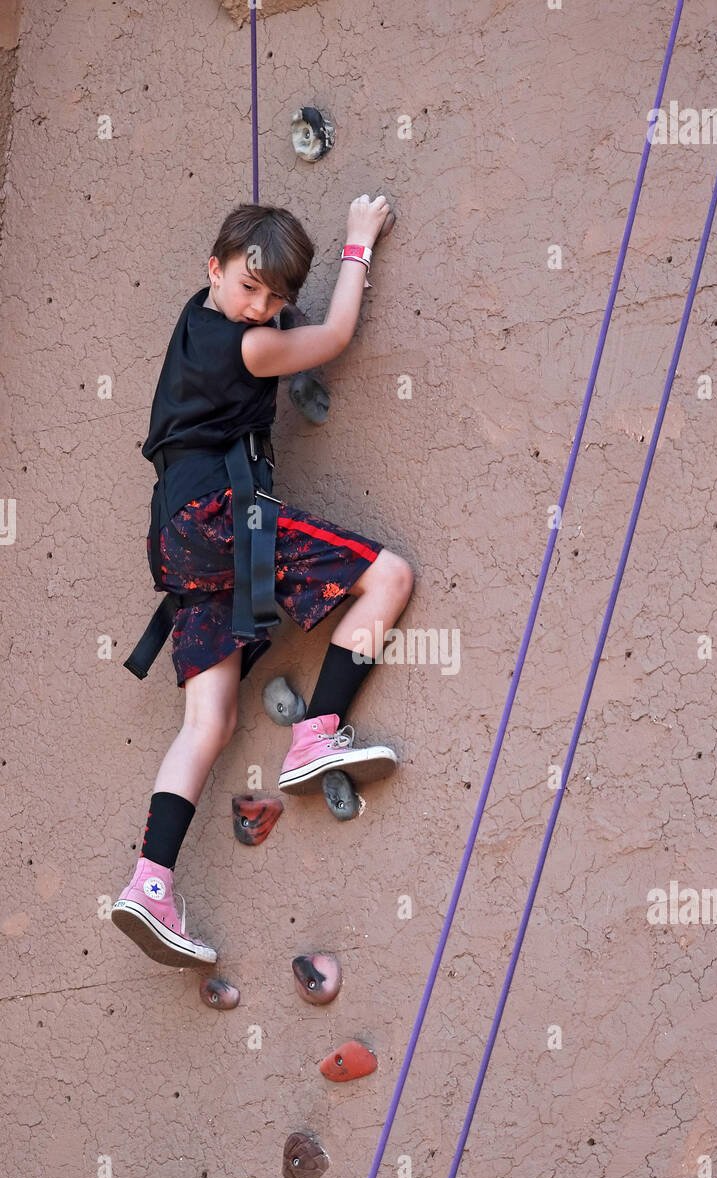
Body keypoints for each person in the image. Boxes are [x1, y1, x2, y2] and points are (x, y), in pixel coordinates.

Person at [112, 196, 414, 968]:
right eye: (250, 288)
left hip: (178, 539)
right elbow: (337, 335)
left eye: (277, 299)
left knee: (205, 723)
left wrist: (265, 286)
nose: (263, 308)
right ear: (212, 268)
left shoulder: (197, 319)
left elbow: (263, 297)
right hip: (221, 517)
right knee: (388, 576)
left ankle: (150, 882)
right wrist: (357, 244)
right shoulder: (248, 349)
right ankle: (317, 732)